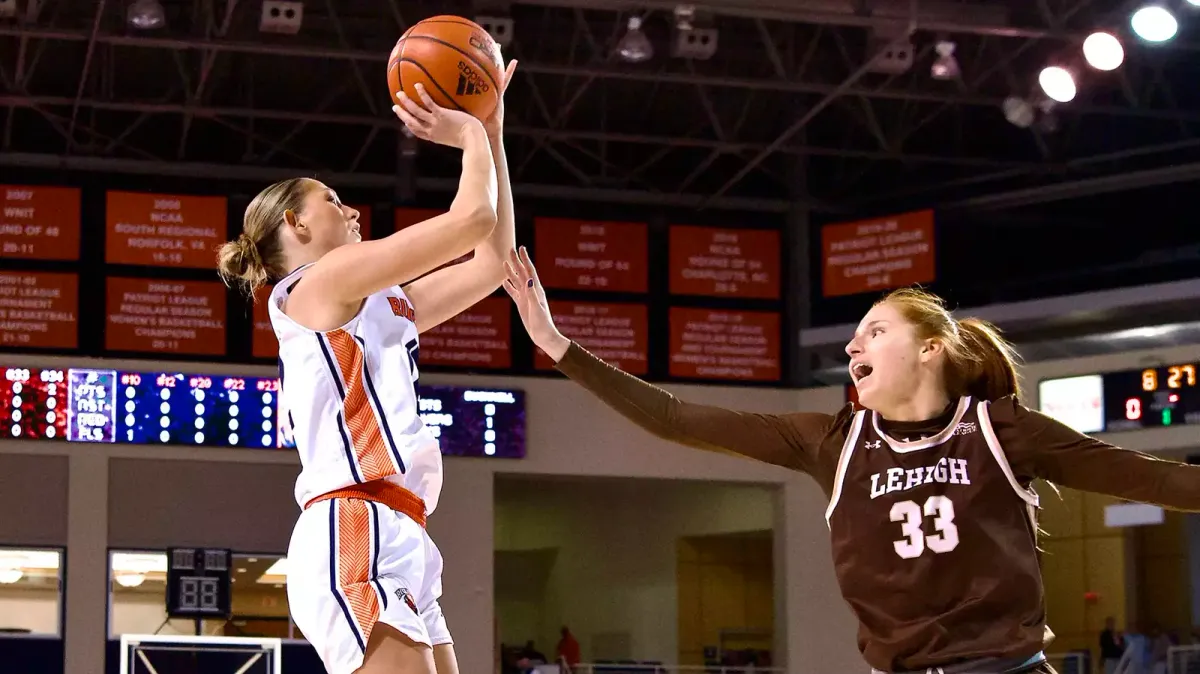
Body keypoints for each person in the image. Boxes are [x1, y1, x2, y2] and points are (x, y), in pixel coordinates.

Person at [501, 250, 1200, 674]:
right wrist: (558, 346)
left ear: (930, 349)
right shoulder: (831, 441)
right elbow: (675, 418)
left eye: (874, 330)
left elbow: (1159, 478)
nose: (851, 347)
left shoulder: (1001, 430)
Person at [216, 59, 518, 674]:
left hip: (401, 529)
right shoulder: (319, 282)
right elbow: (471, 220)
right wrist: (467, 137)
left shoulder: (372, 300)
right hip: (353, 522)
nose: (350, 210)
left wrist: (494, 132)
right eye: (331, 200)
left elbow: (492, 263)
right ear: (295, 223)